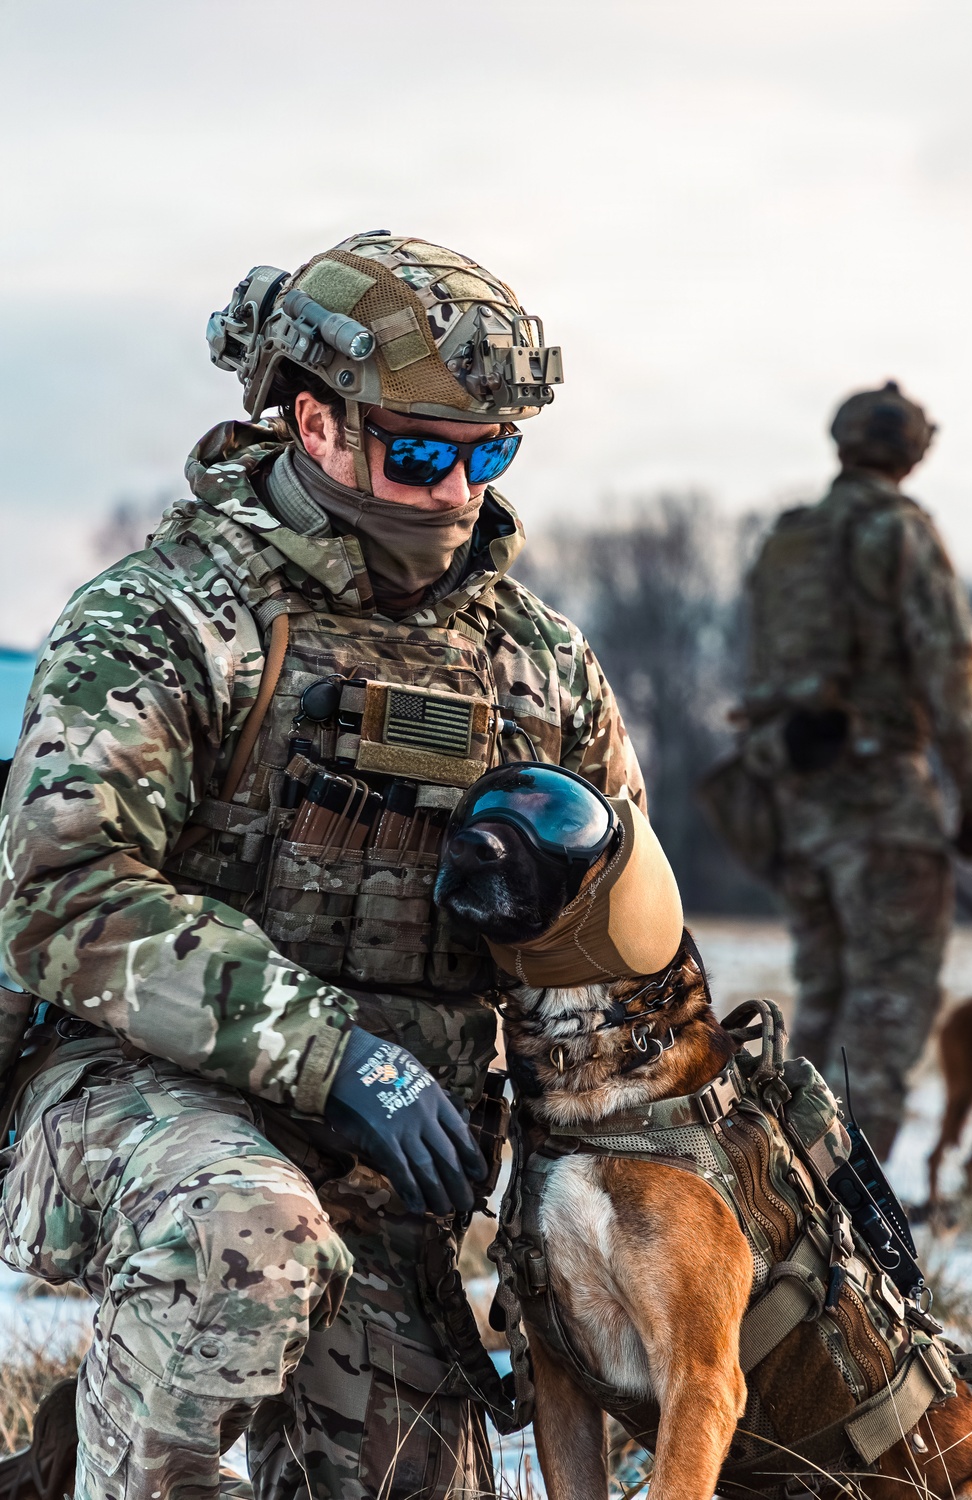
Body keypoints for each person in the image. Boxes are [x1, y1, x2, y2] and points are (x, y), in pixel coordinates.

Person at [0, 233, 644, 1499]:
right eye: (421, 451)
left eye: (492, 451)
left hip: (391, 1175)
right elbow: (64, 897)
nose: (459, 487)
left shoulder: (540, 665)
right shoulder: (166, 619)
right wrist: (338, 1055)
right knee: (246, 1234)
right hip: (132, 1098)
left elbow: (615, 943)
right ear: (316, 423)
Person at [739, 381, 972, 1159]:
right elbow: (951, 670)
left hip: (792, 802)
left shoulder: (791, 538)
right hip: (882, 801)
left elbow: (760, 673)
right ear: (912, 454)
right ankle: (841, 1220)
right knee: (886, 1014)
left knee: (821, 1003)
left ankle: (779, 1196)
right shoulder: (899, 532)